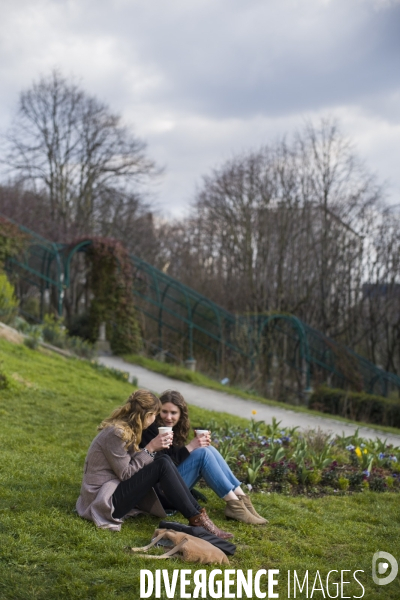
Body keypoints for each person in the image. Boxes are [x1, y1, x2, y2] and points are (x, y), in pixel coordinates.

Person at [76, 389, 233, 538]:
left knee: (162, 460)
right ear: (148, 415)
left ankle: (198, 516)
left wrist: (150, 451)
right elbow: (126, 474)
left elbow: (129, 464)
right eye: (155, 415)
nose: (154, 421)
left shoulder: (126, 429)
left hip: (113, 489)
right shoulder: (117, 433)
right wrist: (150, 448)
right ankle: (198, 519)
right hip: (103, 500)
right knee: (162, 463)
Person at [140, 390, 267, 524]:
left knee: (207, 448)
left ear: (181, 414)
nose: (168, 417)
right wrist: (190, 447)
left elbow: (176, 459)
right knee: (202, 453)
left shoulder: (174, 429)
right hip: (161, 494)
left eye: (173, 413)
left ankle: (242, 499)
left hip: (172, 486)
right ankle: (234, 505)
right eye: (164, 411)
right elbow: (164, 466)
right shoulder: (151, 430)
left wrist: (194, 446)